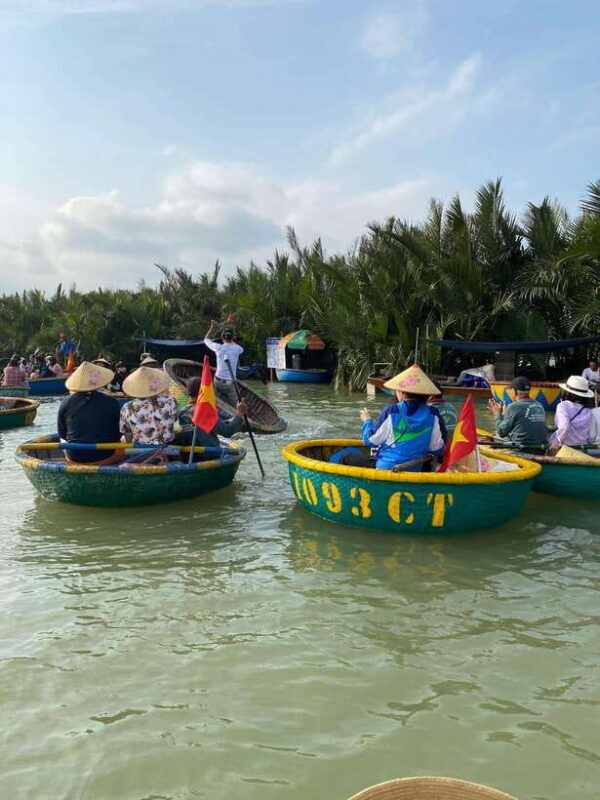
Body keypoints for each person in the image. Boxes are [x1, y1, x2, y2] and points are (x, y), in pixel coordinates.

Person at [339, 365, 445, 471]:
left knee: (346, 457)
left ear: (402, 393)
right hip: (415, 468)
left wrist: (367, 421)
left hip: (387, 467)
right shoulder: (433, 414)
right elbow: (437, 448)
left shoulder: (392, 411)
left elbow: (370, 440)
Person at [57, 361, 122, 464]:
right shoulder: (111, 402)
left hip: (75, 457)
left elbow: (63, 434)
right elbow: (118, 433)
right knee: (122, 441)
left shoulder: (65, 402)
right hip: (106, 455)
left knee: (62, 440)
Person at [176, 376, 248, 449]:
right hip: (209, 453)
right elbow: (227, 432)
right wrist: (240, 413)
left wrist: (229, 420)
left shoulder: (183, 411)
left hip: (190, 452)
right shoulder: (205, 412)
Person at [120, 366, 178, 445]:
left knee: (123, 439)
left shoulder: (126, 407)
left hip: (140, 451)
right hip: (167, 447)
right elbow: (174, 420)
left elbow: (127, 433)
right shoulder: (171, 401)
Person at [487, 376, 548, 449]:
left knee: (492, 438)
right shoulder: (539, 405)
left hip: (522, 449)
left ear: (513, 391)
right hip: (541, 448)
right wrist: (504, 415)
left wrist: (497, 413)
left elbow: (501, 432)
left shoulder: (513, 406)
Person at [204, 320, 244, 407]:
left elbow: (206, 340)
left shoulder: (218, 347)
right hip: (230, 384)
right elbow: (235, 345)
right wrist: (232, 339)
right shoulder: (238, 349)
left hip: (217, 382)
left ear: (222, 339)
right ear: (232, 338)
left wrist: (212, 328)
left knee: (216, 403)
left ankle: (218, 407)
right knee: (237, 406)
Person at [549, 375, 594, 452]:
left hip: (564, 448)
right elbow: (591, 435)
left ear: (567, 393)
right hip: (582, 449)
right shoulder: (588, 410)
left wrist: (557, 442)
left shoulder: (563, 406)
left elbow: (564, 427)